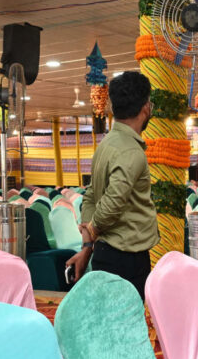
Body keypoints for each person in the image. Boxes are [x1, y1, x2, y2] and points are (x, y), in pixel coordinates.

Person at [66, 71, 159, 300]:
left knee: (107, 324)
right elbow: (112, 203)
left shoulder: (106, 144)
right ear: (146, 107)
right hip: (127, 259)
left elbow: (90, 197)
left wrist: (88, 243)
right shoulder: (131, 151)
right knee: (126, 327)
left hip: (105, 254)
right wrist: (92, 231)